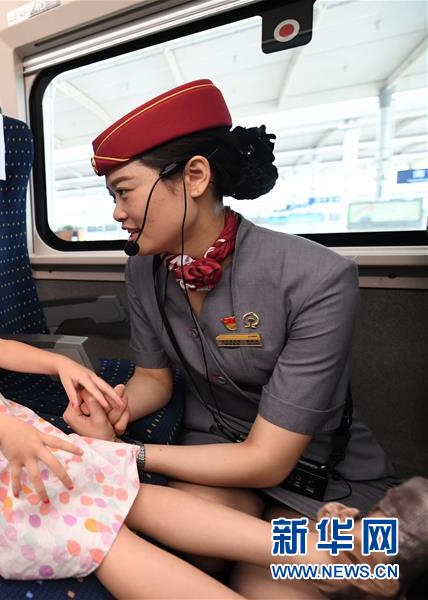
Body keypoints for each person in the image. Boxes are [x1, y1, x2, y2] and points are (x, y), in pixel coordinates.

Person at [0, 192, 353, 598]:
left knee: (115, 476)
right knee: (97, 530)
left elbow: (1, 350)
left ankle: (324, 552)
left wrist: (59, 363)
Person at [78, 79, 401, 596]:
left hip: (324, 477)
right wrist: (113, 407)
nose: (117, 212)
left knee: (269, 586)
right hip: (212, 459)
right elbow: (154, 380)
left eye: (125, 192)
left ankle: (362, 561)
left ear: (194, 176)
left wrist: (125, 453)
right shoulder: (143, 270)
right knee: (184, 547)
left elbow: (268, 459)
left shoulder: (317, 277)